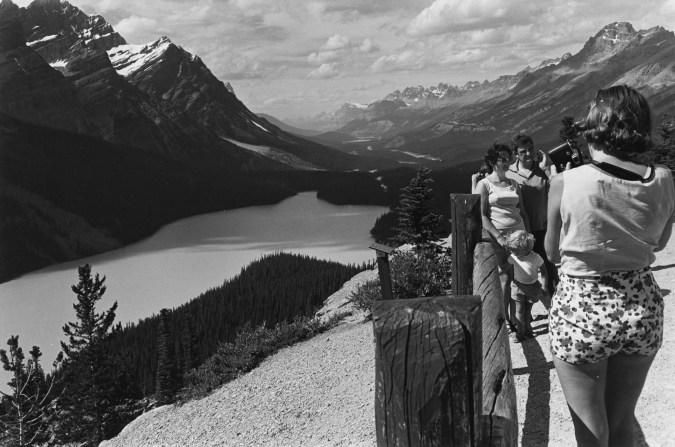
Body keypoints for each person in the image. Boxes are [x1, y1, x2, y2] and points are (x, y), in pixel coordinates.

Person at [545, 85, 675, 447]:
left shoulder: (565, 181)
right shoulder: (663, 179)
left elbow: (552, 251)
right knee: (621, 426)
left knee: (591, 432)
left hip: (582, 308)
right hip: (642, 306)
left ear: (595, 126)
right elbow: (660, 243)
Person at [475, 143, 530, 328]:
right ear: (492, 161)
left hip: (519, 234)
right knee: (505, 276)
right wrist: (498, 237)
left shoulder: (514, 183)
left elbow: (521, 210)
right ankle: (503, 317)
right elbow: (482, 215)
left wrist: (528, 235)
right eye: (503, 159)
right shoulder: (484, 185)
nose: (507, 162)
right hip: (500, 236)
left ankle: (518, 318)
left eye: (509, 158)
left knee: (521, 275)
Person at [507, 134, 558, 296]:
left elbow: (558, 189)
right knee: (522, 272)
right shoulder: (509, 173)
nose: (528, 154)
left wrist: (547, 170)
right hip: (519, 231)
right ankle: (525, 311)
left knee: (548, 269)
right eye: (523, 151)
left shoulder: (542, 170)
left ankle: (553, 302)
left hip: (543, 227)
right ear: (515, 154)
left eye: (531, 149)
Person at [504, 230, 549, 341]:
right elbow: (508, 268)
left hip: (532, 287)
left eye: (515, 250)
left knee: (528, 311)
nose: (512, 252)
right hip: (518, 286)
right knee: (519, 311)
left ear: (525, 249)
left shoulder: (535, 257)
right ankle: (520, 332)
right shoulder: (513, 257)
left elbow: (544, 271)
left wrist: (544, 286)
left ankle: (528, 328)